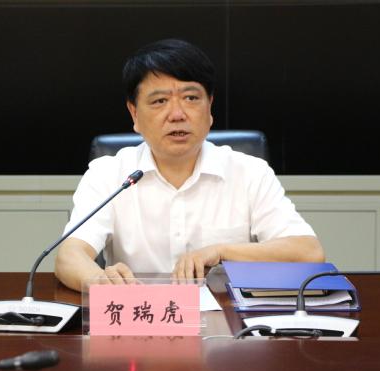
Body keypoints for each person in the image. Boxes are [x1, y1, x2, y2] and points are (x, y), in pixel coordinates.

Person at [55, 38, 325, 292]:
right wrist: (100, 282)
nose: (177, 114)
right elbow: (69, 256)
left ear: (210, 107)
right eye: (160, 101)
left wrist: (222, 251)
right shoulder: (108, 174)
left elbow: (308, 253)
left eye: (191, 98)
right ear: (134, 113)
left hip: (227, 320)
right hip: (140, 314)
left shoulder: (250, 172)